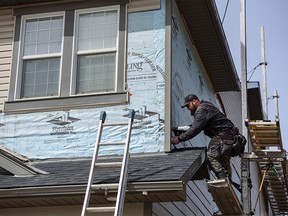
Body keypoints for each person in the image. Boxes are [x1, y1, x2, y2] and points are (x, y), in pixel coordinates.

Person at [171, 94, 246, 179]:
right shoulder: (207, 106)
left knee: (210, 156)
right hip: (231, 138)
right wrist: (178, 129)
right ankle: (227, 181)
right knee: (222, 160)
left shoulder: (201, 110)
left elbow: (196, 128)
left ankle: (223, 179)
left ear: (194, 101)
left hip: (223, 135)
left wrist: (179, 139)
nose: (188, 108)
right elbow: (196, 126)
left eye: (188, 105)